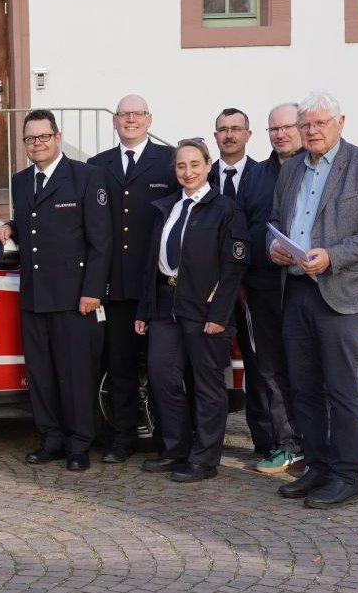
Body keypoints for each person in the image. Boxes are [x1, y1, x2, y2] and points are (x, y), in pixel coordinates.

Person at [268, 92, 358, 509]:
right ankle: (318, 467)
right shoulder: (291, 170)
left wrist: (332, 256)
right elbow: (275, 222)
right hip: (296, 288)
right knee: (303, 388)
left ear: (341, 122)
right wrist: (274, 247)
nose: (312, 131)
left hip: (343, 293)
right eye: (306, 125)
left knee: (341, 389)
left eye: (320, 123)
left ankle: (346, 476)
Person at [0, 110, 111, 471]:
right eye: (30, 139)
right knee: (41, 374)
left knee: (75, 374)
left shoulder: (86, 177)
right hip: (36, 294)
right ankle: (51, 438)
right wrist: (10, 226)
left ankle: (78, 444)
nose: (37, 144)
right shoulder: (22, 181)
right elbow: (32, 224)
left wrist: (93, 291)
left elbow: (101, 242)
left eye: (43, 137)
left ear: (58, 137)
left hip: (75, 297)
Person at [135, 139, 250, 483]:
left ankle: (204, 458)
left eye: (195, 165)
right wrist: (144, 309)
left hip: (204, 309)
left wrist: (219, 314)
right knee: (161, 376)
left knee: (206, 384)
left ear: (209, 165)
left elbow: (234, 267)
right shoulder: (167, 207)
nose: (188, 172)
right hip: (164, 304)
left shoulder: (225, 209)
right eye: (182, 166)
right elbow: (150, 264)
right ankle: (176, 448)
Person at [85, 95, 180, 463]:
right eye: (124, 115)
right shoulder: (97, 166)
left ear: (149, 119)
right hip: (119, 286)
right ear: (115, 122)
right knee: (120, 366)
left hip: (158, 284)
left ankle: (167, 440)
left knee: (162, 367)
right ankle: (122, 438)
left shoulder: (170, 162)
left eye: (137, 114)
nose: (130, 120)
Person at [241, 104, 305, 474]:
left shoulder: (315, 169)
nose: (281, 134)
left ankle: (317, 443)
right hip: (264, 286)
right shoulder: (257, 175)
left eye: (288, 127)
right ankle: (286, 444)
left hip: (307, 285)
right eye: (274, 129)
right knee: (269, 369)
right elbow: (245, 227)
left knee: (308, 368)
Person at [208, 108, 255, 199]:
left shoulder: (262, 175)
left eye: (236, 129)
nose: (229, 135)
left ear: (248, 135)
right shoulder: (203, 177)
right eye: (223, 129)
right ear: (216, 136)